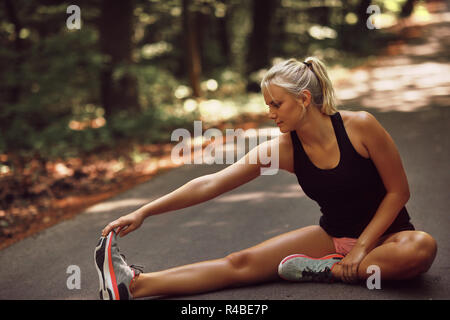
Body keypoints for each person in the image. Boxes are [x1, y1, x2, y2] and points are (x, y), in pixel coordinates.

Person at [94, 57, 437, 300]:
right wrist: (144, 211)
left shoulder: (360, 126)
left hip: (389, 241)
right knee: (239, 264)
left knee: (422, 248)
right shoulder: (285, 149)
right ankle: (134, 285)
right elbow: (212, 182)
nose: (269, 113)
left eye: (276, 104)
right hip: (332, 240)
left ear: (304, 99)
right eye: (268, 105)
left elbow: (398, 192)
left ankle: (326, 271)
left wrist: (361, 248)